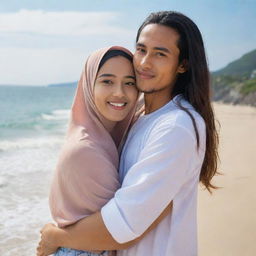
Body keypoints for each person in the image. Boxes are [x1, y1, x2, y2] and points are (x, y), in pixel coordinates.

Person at [37, 11, 219, 256]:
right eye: (141, 50)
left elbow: (123, 225)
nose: (144, 62)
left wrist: (55, 236)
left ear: (183, 64)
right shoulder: (141, 116)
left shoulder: (175, 127)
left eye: (160, 54)